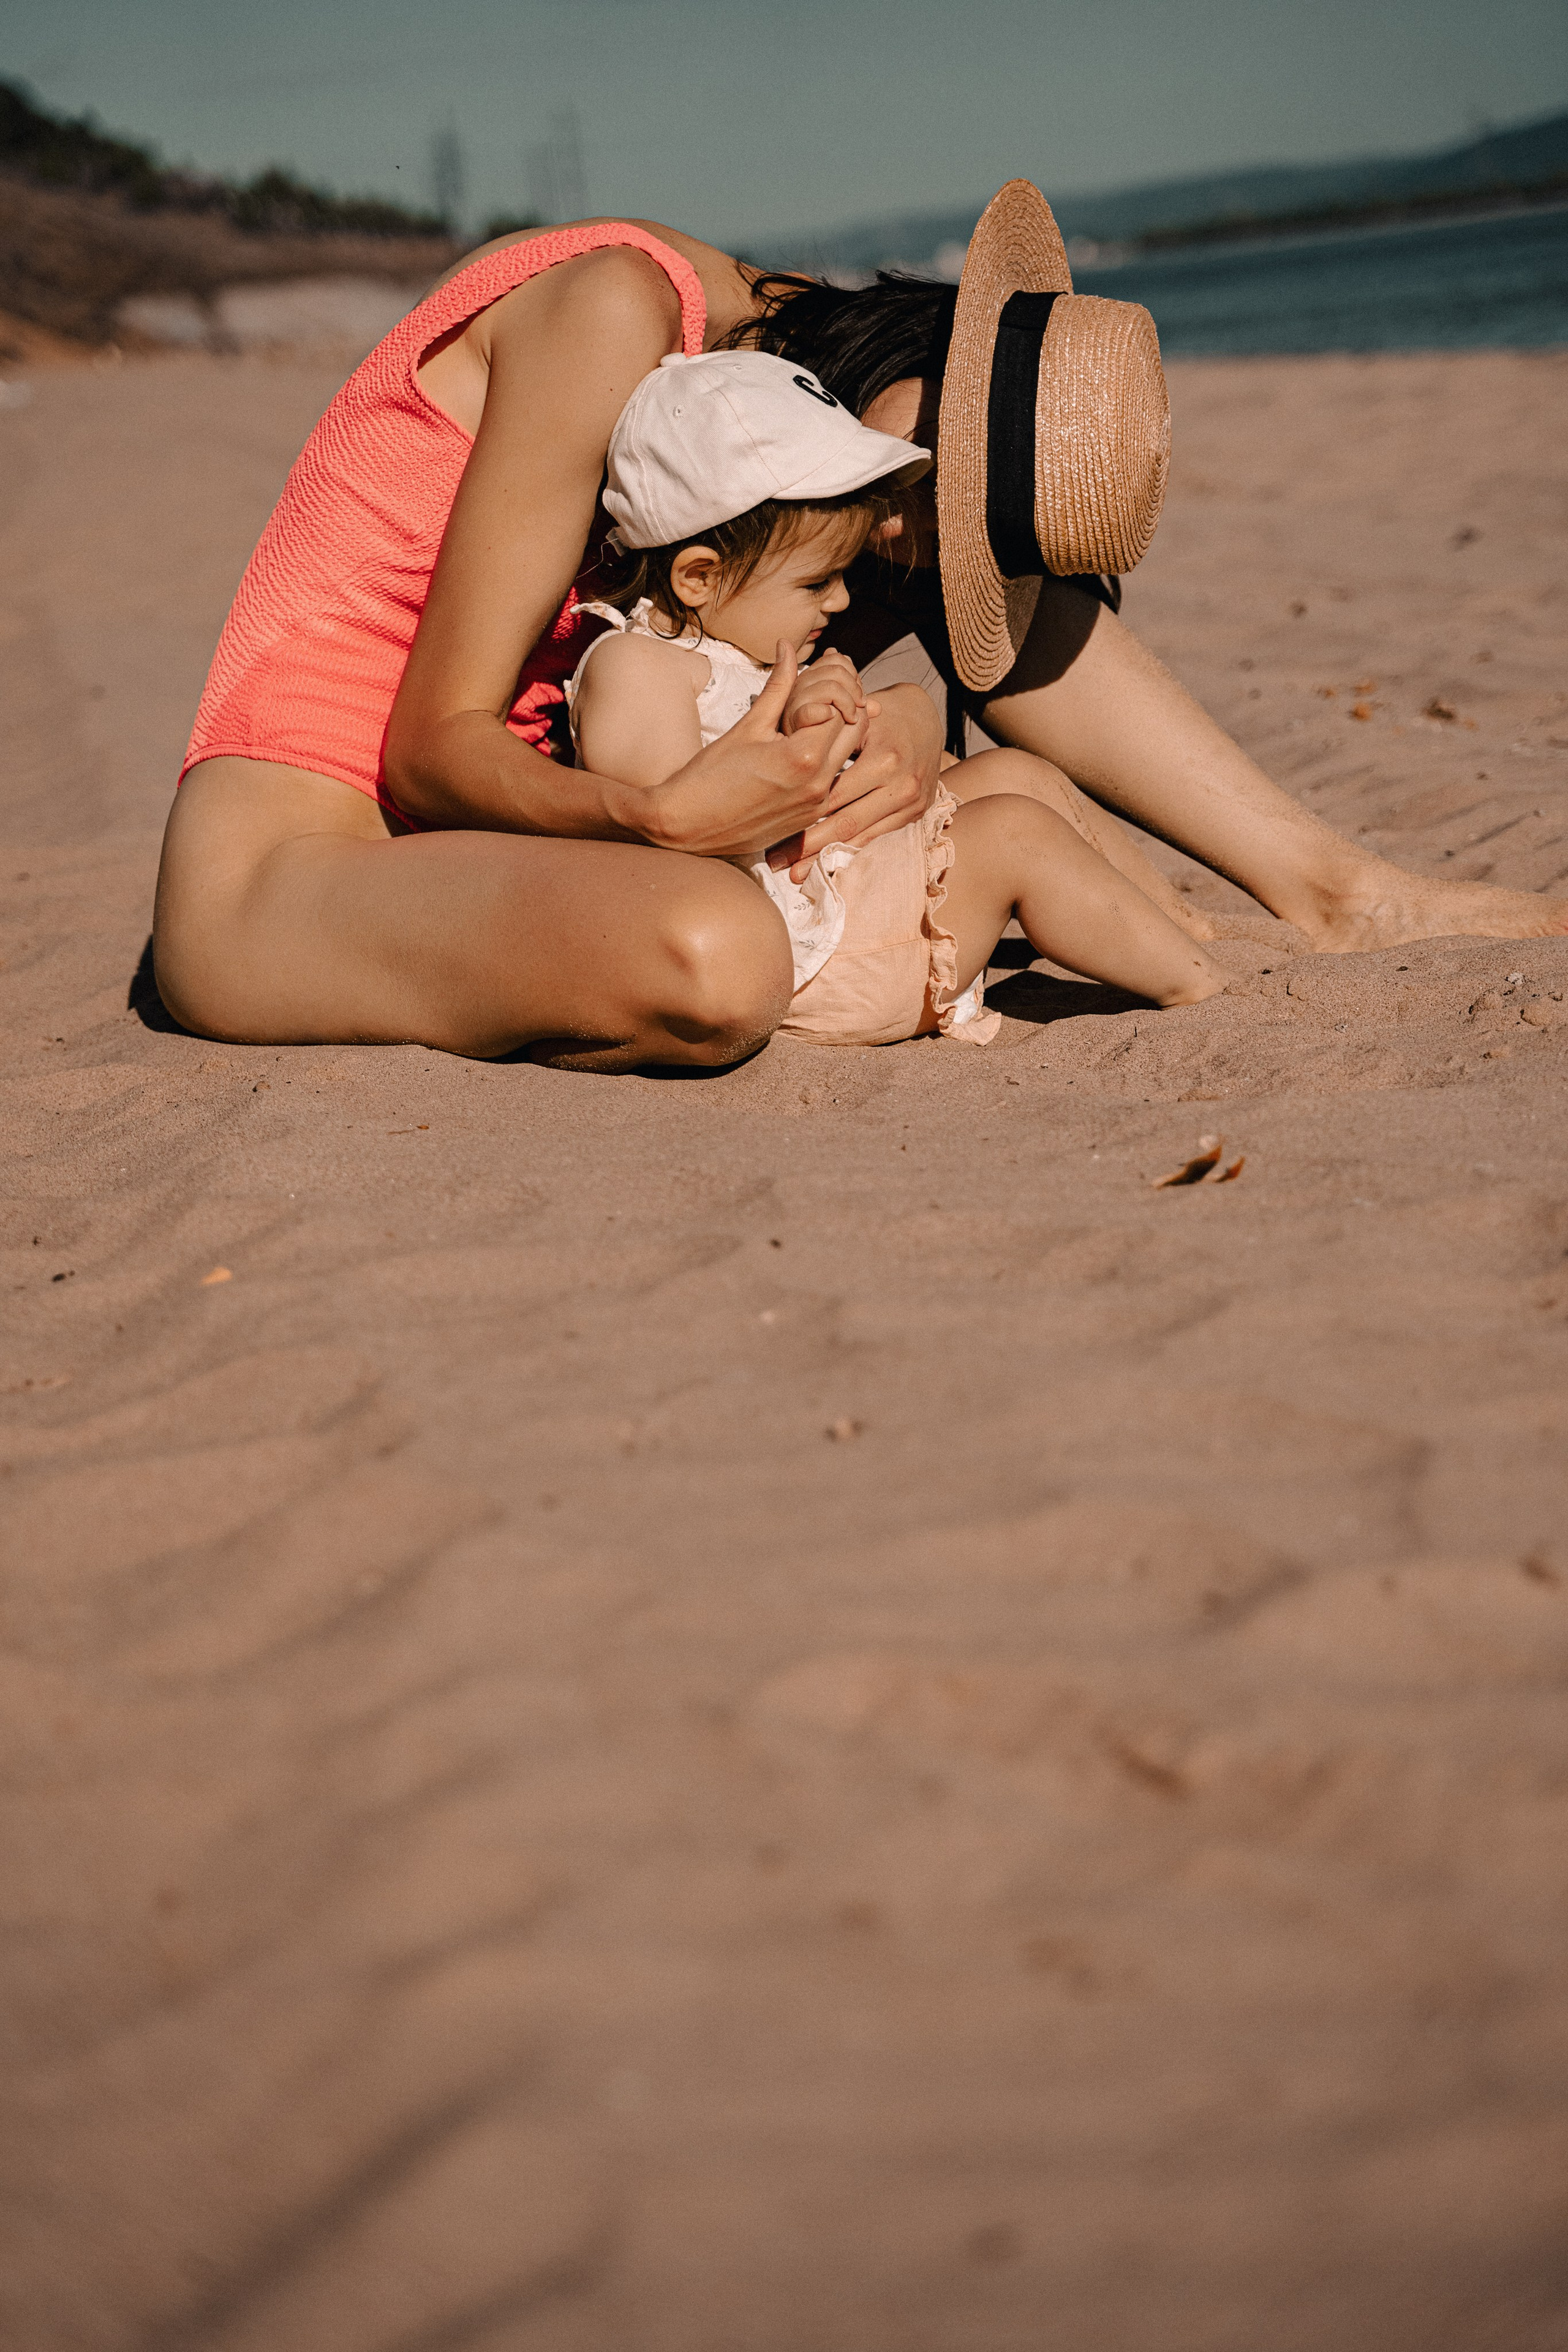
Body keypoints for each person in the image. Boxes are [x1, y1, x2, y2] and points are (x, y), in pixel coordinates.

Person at [153, 188, 1565, 1074]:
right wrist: (654, 816)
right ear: (907, 350)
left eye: (934, 553)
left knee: (1005, 778)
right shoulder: (616, 318)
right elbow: (427, 746)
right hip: (301, 857)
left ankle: (1324, 884)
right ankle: (1320, 888)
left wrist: (862, 736)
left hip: (497, 833)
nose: (900, 560)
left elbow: (705, 667)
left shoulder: (780, 412)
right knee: (717, 952)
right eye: (914, 514)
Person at [567, 348, 1224, 1049]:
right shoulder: (636, 668)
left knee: (1018, 775)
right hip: (811, 957)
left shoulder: (728, 649)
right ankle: (1198, 990)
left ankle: (1182, 931)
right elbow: (667, 851)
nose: (842, 600)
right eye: (817, 582)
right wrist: (807, 733)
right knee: (1011, 834)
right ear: (699, 578)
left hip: (836, 890)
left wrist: (832, 718)